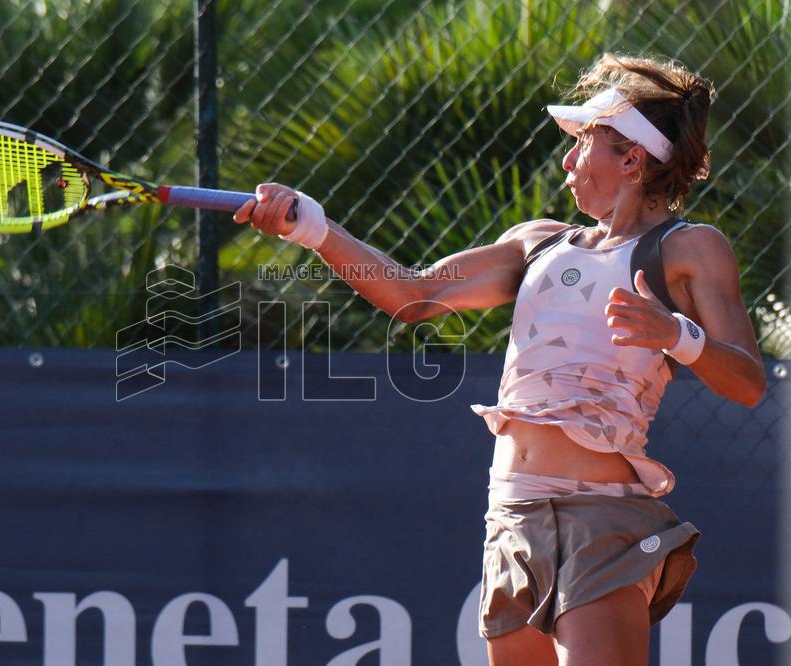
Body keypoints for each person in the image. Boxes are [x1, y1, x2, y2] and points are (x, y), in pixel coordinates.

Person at [233, 53, 765, 665]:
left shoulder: (691, 247)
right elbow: (415, 295)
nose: (567, 162)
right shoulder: (538, 242)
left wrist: (676, 335)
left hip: (602, 519)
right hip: (511, 511)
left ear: (632, 159)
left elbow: (748, 383)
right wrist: (313, 229)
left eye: (583, 144)